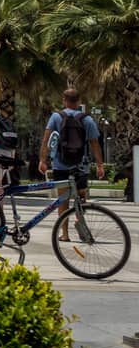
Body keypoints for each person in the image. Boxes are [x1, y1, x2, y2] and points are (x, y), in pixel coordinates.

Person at [39, 86, 105, 239]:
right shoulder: (86, 119)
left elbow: (46, 139)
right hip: (81, 166)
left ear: (64, 100)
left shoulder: (56, 117)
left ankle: (65, 233)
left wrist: (43, 160)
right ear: (79, 101)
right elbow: (95, 144)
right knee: (81, 198)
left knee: (63, 200)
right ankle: (79, 222)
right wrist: (100, 165)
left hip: (60, 165)